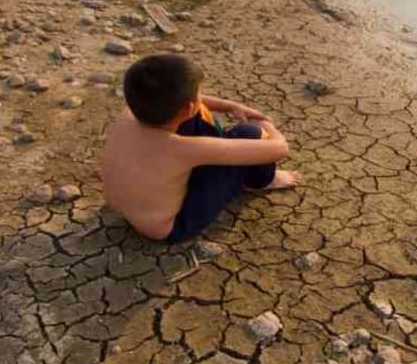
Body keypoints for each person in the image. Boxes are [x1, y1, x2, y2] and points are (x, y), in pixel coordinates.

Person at [101, 53, 300, 243]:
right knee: (249, 134)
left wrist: (228, 106)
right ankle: (261, 181)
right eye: (199, 93)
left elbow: (189, 105)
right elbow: (279, 148)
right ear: (188, 106)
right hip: (172, 227)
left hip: (127, 210)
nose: (202, 96)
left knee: (193, 114)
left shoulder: (129, 114)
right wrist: (266, 125)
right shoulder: (183, 149)